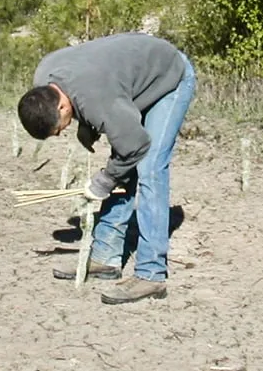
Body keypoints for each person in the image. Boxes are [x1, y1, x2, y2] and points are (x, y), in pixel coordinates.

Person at [17, 32, 196, 305]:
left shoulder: (96, 99)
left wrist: (104, 181)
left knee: (148, 167)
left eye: (59, 129)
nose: (60, 134)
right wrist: (86, 125)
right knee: (123, 160)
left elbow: (135, 145)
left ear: (63, 105)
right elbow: (92, 89)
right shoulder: (45, 78)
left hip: (168, 74)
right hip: (127, 80)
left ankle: (151, 274)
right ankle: (106, 258)